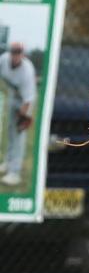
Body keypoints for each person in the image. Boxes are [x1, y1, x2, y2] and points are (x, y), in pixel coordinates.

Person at [1, 41, 37, 187]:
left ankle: (14, 173)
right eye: (14, 52)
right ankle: (8, 163)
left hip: (25, 101)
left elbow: (28, 99)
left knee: (18, 134)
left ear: (22, 54)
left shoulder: (27, 70)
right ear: (10, 52)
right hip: (12, 97)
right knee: (10, 131)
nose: (16, 55)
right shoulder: (3, 60)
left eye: (19, 52)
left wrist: (23, 116)